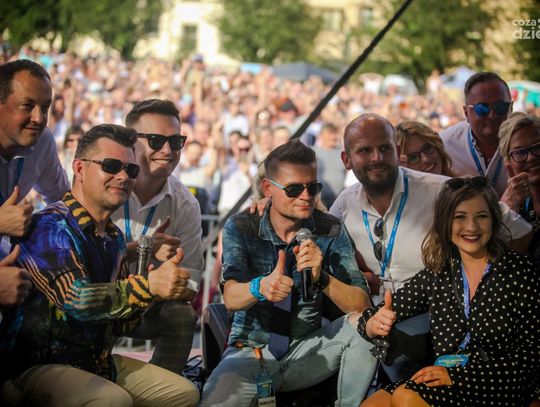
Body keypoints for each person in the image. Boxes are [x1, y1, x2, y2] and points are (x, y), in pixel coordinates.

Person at [0, 124, 199, 406]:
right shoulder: (49, 225)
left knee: (184, 394)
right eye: (111, 166)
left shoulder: (113, 237)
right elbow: (76, 299)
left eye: (131, 170)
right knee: (112, 400)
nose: (123, 176)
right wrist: (146, 287)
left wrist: (155, 293)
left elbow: (116, 326)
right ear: (79, 169)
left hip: (97, 363)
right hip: (37, 365)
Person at [329, 113, 532, 381]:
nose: (377, 157)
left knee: (395, 348)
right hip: (384, 307)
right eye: (365, 150)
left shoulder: (439, 190)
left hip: (436, 311)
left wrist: (489, 287)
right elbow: (323, 244)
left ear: (397, 151)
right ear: (346, 159)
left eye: (385, 148)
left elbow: (519, 231)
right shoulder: (344, 204)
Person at [201, 140, 377, 406]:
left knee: (369, 326)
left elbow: (361, 306)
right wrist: (260, 287)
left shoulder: (330, 228)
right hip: (251, 351)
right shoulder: (243, 226)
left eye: (312, 187)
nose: (306, 196)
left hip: (309, 348)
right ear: (268, 188)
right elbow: (231, 297)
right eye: (294, 189)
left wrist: (322, 278)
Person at [357, 176, 540, 407]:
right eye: (460, 217)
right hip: (446, 376)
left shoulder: (520, 270)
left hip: (502, 382)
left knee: (407, 397)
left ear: (494, 220)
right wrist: (373, 324)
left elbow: (531, 357)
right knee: (373, 404)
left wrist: (459, 377)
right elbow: (371, 316)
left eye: (481, 216)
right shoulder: (439, 273)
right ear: (445, 223)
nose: (471, 227)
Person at [111, 99, 204, 374]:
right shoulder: (106, 184)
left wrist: (170, 280)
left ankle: (163, 387)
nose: (167, 150)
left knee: (182, 315)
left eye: (176, 141)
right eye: (155, 140)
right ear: (131, 142)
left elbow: (191, 286)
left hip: (149, 306)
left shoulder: (186, 204)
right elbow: (80, 258)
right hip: (100, 295)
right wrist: (143, 248)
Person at [0, 59, 69, 244]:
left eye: (45, 107)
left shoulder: (42, 141)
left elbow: (62, 199)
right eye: (27, 106)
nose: (39, 118)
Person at [440, 72, 513, 195]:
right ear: (466, 113)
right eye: (482, 108)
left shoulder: (528, 142)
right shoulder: (445, 144)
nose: (492, 115)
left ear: (511, 108)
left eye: (500, 107)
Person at [498, 112, 540, 265]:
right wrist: (511, 212)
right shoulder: (509, 206)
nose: (531, 157)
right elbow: (501, 264)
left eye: (538, 147)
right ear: (508, 164)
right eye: (520, 152)